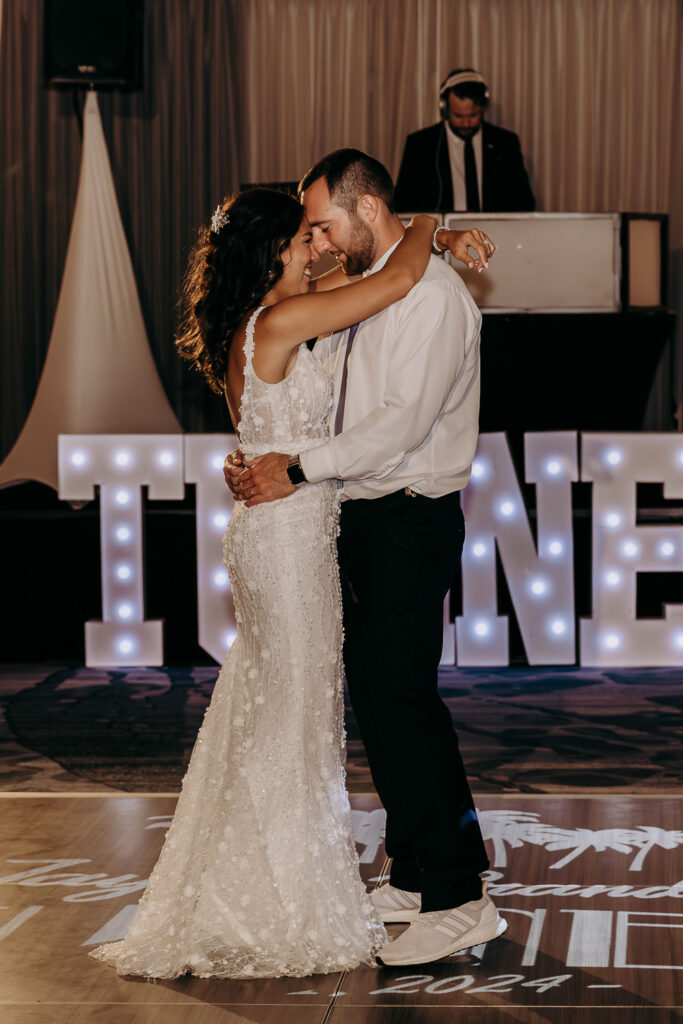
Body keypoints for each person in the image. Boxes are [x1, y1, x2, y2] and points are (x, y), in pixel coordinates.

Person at [88, 183, 490, 980]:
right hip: (288, 539)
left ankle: (289, 881)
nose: (320, 248)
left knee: (280, 707)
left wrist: (427, 241)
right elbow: (393, 279)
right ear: (273, 250)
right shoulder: (281, 320)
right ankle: (278, 895)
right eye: (306, 238)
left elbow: (377, 271)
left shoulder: (277, 313)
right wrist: (431, 224)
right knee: (294, 717)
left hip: (287, 533)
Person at [226, 149, 506, 968]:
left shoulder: (433, 300)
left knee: (405, 704)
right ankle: (416, 876)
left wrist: (294, 469)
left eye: (322, 222)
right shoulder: (369, 285)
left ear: (366, 207)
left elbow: (397, 429)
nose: (315, 240)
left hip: (410, 519)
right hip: (360, 519)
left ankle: (461, 896)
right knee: (380, 707)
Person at [394, 67, 536, 214]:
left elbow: (525, 202)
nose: (466, 123)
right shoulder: (420, 145)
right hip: (441, 233)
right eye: (458, 116)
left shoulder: (505, 143)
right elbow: (403, 203)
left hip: (493, 233)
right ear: (444, 108)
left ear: (483, 108)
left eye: (473, 115)